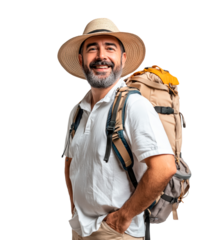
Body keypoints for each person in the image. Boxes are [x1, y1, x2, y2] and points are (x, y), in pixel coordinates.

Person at [57, 17, 177, 240]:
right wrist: (73, 209)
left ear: (122, 58)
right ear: (81, 59)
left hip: (115, 232)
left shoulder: (134, 105)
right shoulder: (76, 111)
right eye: (93, 49)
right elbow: (68, 161)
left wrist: (123, 217)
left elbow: (164, 167)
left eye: (109, 48)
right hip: (79, 228)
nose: (101, 56)